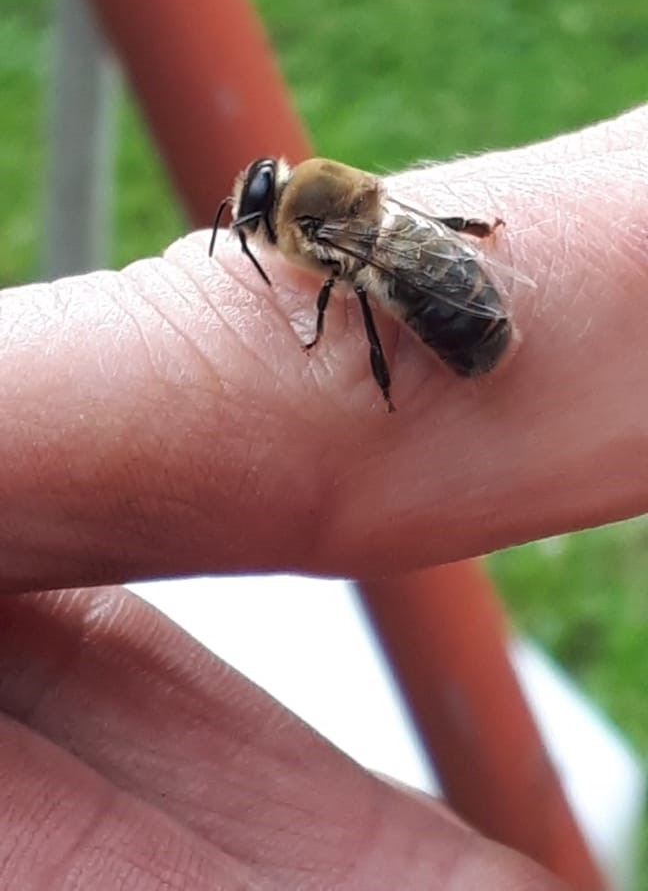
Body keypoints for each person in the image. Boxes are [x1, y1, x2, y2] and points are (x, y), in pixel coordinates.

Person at [0, 107, 645, 889]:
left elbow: (356, 278)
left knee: (367, 291)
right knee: (378, 275)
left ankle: (411, 370)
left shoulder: (319, 230)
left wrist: (325, 336)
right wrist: (470, 234)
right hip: (432, 250)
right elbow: (395, 223)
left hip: (454, 315)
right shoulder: (340, 196)